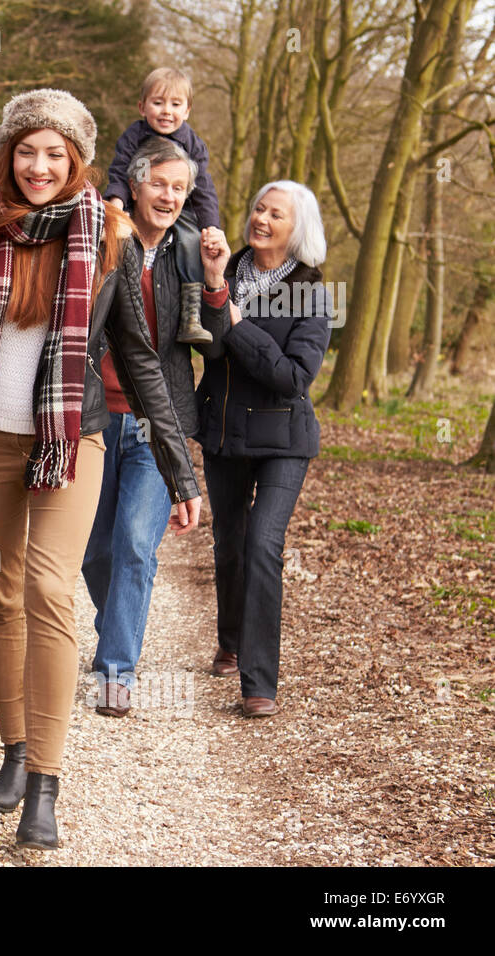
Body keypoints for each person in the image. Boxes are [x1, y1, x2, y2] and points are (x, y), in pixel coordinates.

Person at [0, 89, 202, 850]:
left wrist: (179, 468)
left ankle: (46, 786)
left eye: (56, 153)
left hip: (71, 442)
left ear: (78, 161)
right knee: (2, 595)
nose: (40, 166)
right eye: (28, 151)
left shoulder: (108, 234)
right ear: (9, 154)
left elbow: (142, 357)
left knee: (50, 591)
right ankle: (15, 753)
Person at [82, 136, 231, 718]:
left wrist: (216, 280)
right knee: (95, 551)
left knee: (136, 549)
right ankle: (116, 622)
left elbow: (216, 347)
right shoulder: (101, 239)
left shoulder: (193, 248)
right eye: (159, 184)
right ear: (134, 185)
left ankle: (116, 670)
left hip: (157, 421)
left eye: (179, 188)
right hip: (94, 415)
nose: (168, 197)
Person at [194, 180, 331, 718]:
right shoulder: (221, 271)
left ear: (297, 230)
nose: (263, 219)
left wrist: (235, 321)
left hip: (283, 440)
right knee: (229, 545)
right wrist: (212, 287)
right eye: (259, 208)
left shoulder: (313, 292)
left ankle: (259, 682)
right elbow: (199, 341)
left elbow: (294, 377)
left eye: (277, 214)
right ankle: (230, 640)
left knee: (261, 546)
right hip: (225, 433)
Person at [104, 67, 221, 346]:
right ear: (142, 107)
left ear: (188, 110)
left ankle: (191, 313)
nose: (167, 111)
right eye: (158, 103)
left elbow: (203, 188)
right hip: (135, 205)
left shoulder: (192, 143)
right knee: (119, 237)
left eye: (176, 104)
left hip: (181, 211)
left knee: (192, 241)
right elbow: (120, 172)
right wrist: (117, 205)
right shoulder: (134, 136)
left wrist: (211, 227)